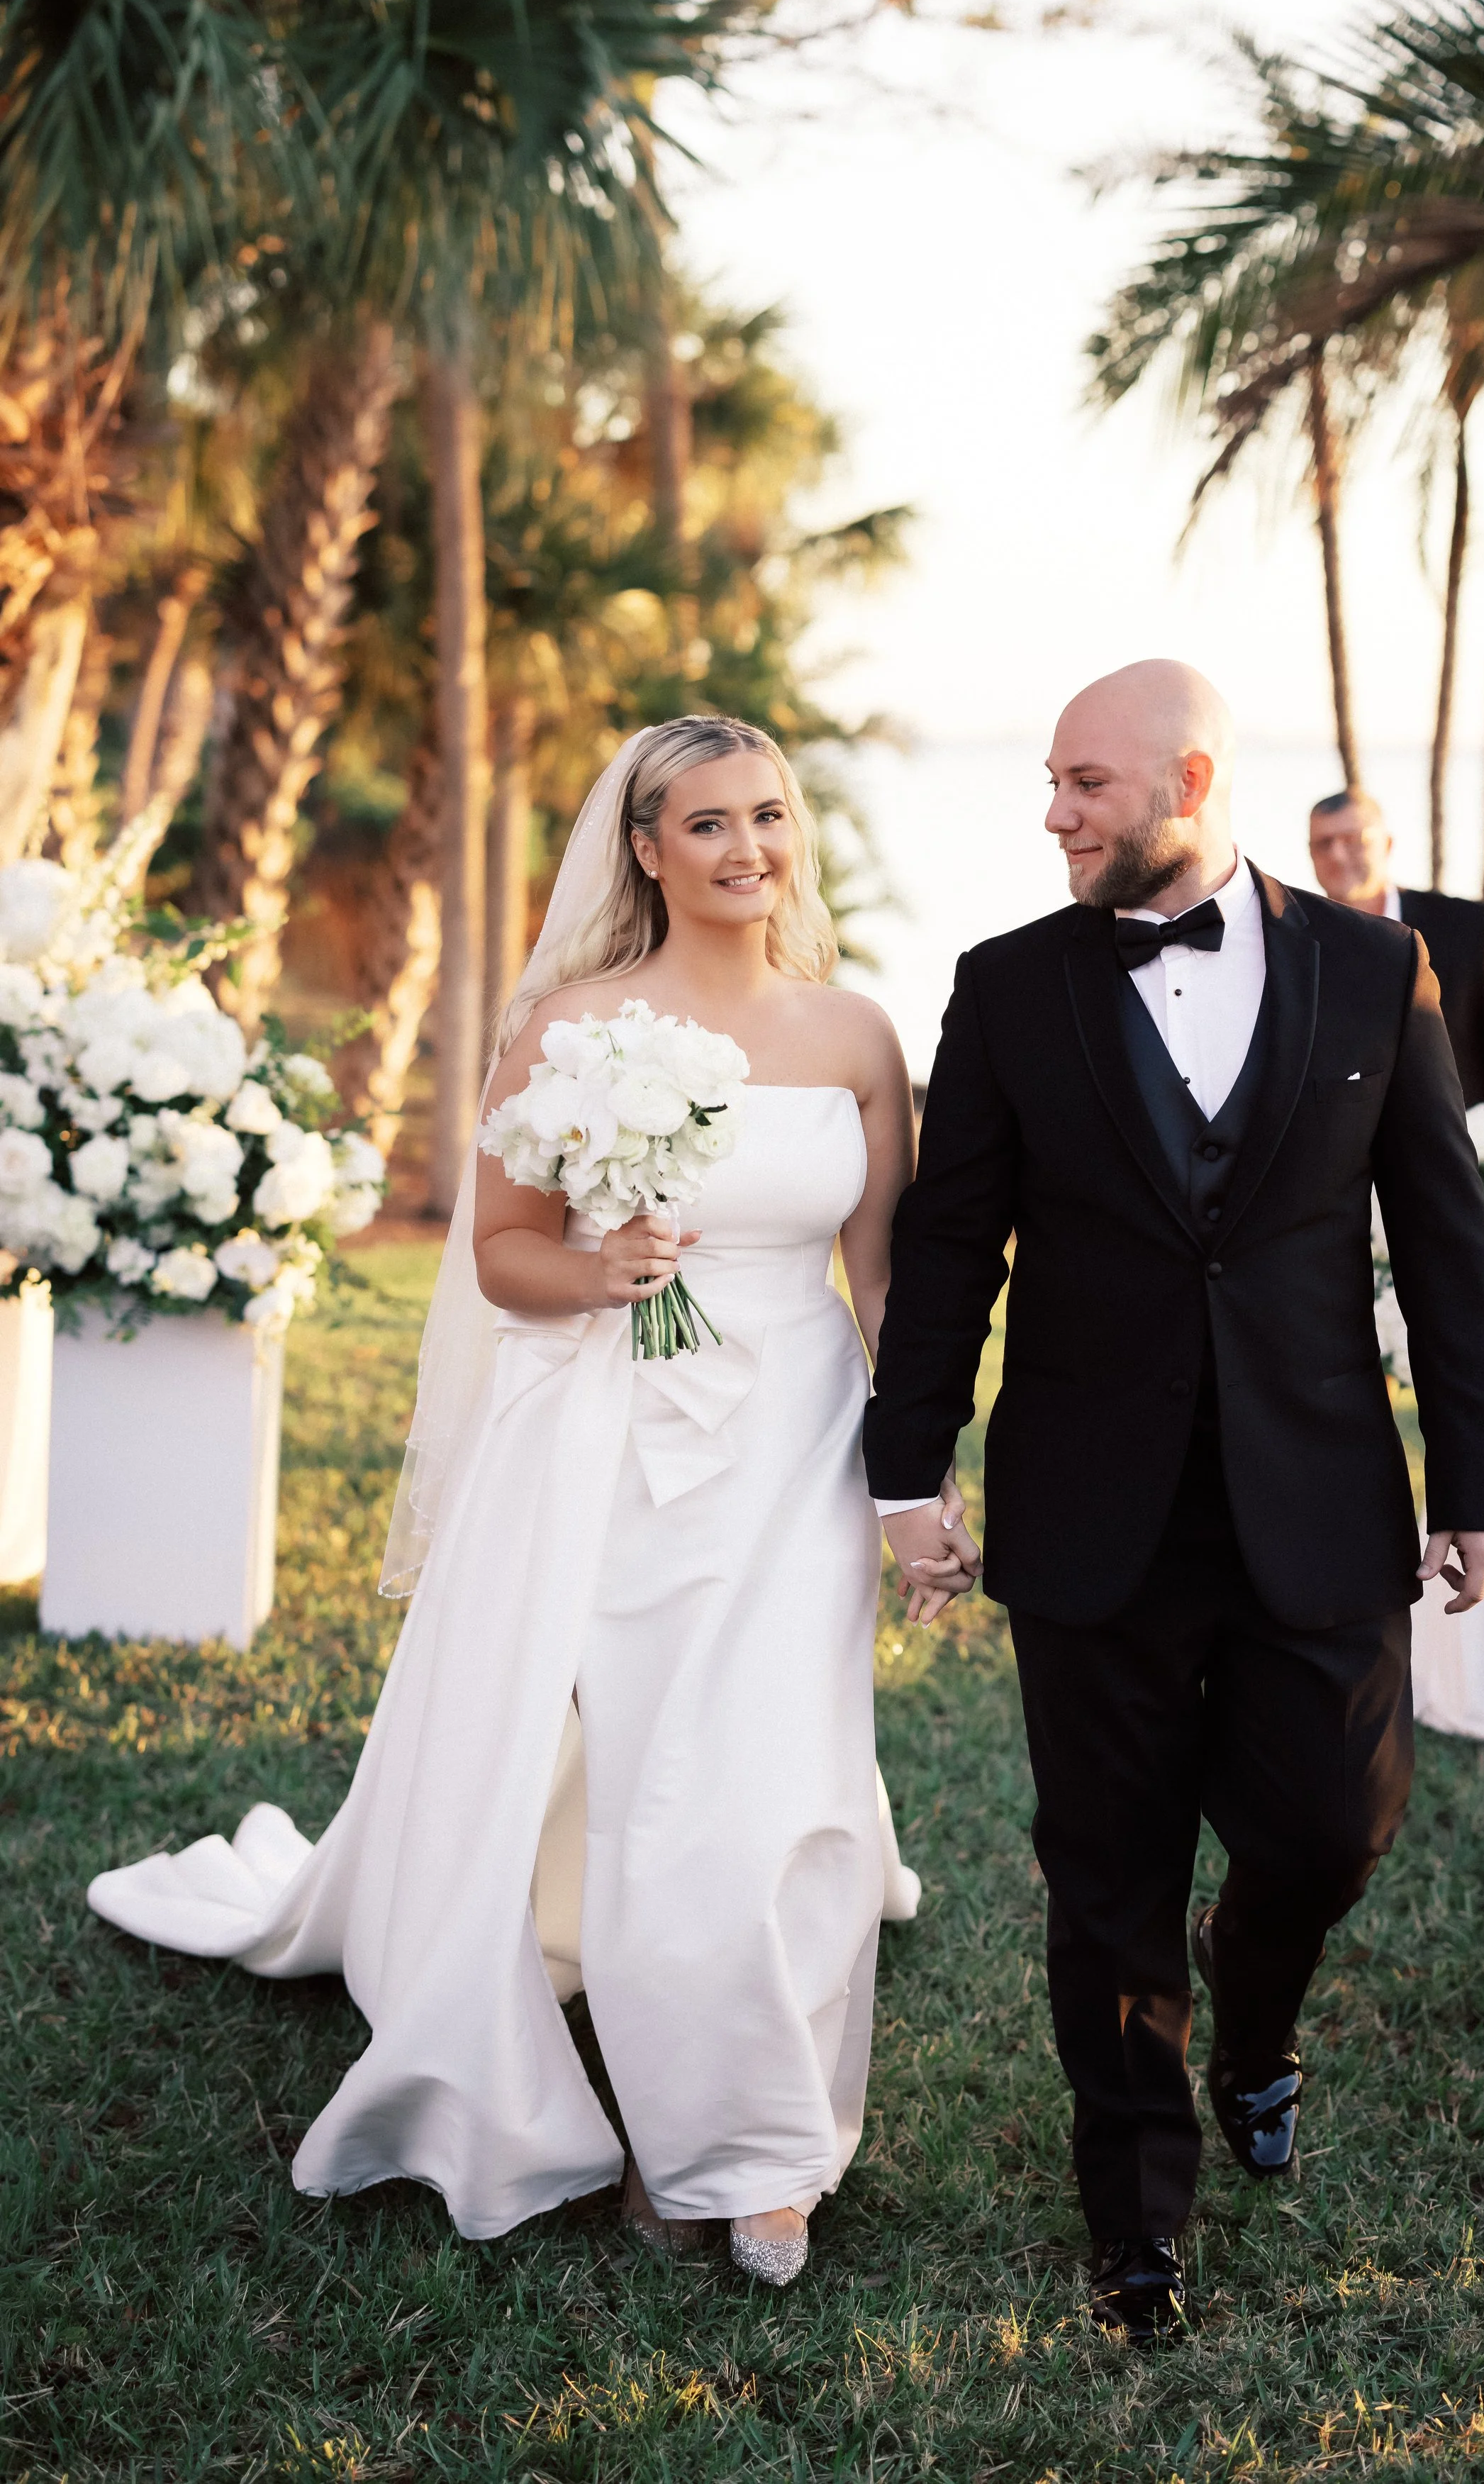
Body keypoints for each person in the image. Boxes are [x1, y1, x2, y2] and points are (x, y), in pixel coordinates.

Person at [89, 715, 929, 2285]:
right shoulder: (568, 1028)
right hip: (613, 1437)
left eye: (766, 814)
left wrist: (911, 1477)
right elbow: (499, 1259)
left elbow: (879, 1278)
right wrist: (602, 1268)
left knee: (781, 1773)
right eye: (706, 823)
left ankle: (760, 2154)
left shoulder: (859, 1035)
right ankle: (680, 2119)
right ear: (644, 848)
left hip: (797, 1437)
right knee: (661, 1780)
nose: (748, 847)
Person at [866, 661, 1484, 2345]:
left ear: (1191, 777)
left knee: (1333, 1825)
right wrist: (905, 1460)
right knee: (1108, 1876)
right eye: (1050, 780)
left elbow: (1446, 1242)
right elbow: (953, 1246)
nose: (1054, 811)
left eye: (1085, 781)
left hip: (1316, 1494)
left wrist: (1480, 1481)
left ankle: (1256, 2021)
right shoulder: (1008, 987)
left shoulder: (1377, 971)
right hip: (1095, 1504)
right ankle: (1137, 2223)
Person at [1306, 787, 1484, 1107]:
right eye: (1323, 844)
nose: (1336, 854)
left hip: (1461, 1138)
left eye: (1352, 840)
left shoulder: (1466, 927)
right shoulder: (1296, 942)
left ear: (1387, 845)